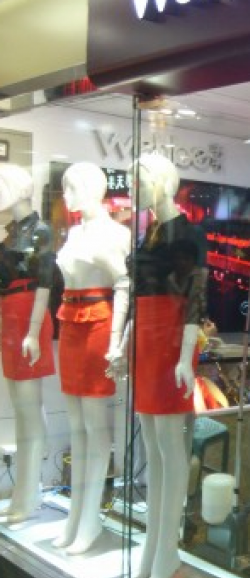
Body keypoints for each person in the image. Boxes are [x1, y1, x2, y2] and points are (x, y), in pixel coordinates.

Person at [126, 153, 206, 578]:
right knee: (152, 448)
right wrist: (125, 342)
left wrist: (185, 356)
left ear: (160, 182)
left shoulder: (188, 234)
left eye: (138, 181)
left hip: (172, 343)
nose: (133, 189)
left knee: (169, 447)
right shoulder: (149, 234)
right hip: (146, 343)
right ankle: (152, 547)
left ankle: (167, 549)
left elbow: (195, 299)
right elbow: (139, 297)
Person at [54, 162, 130, 553]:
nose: (66, 196)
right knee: (76, 424)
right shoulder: (73, 232)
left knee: (94, 424)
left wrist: (117, 340)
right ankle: (76, 516)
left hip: (98, 325)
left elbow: (124, 282)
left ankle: (90, 519)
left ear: (91, 189)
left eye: (71, 188)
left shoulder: (116, 234)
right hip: (69, 322)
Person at [0, 164, 56, 524]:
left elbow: (45, 284)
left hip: (27, 319)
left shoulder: (40, 231)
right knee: (22, 411)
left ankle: (29, 495)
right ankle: (25, 491)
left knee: (29, 409)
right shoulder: (9, 234)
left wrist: (33, 332)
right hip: (9, 320)